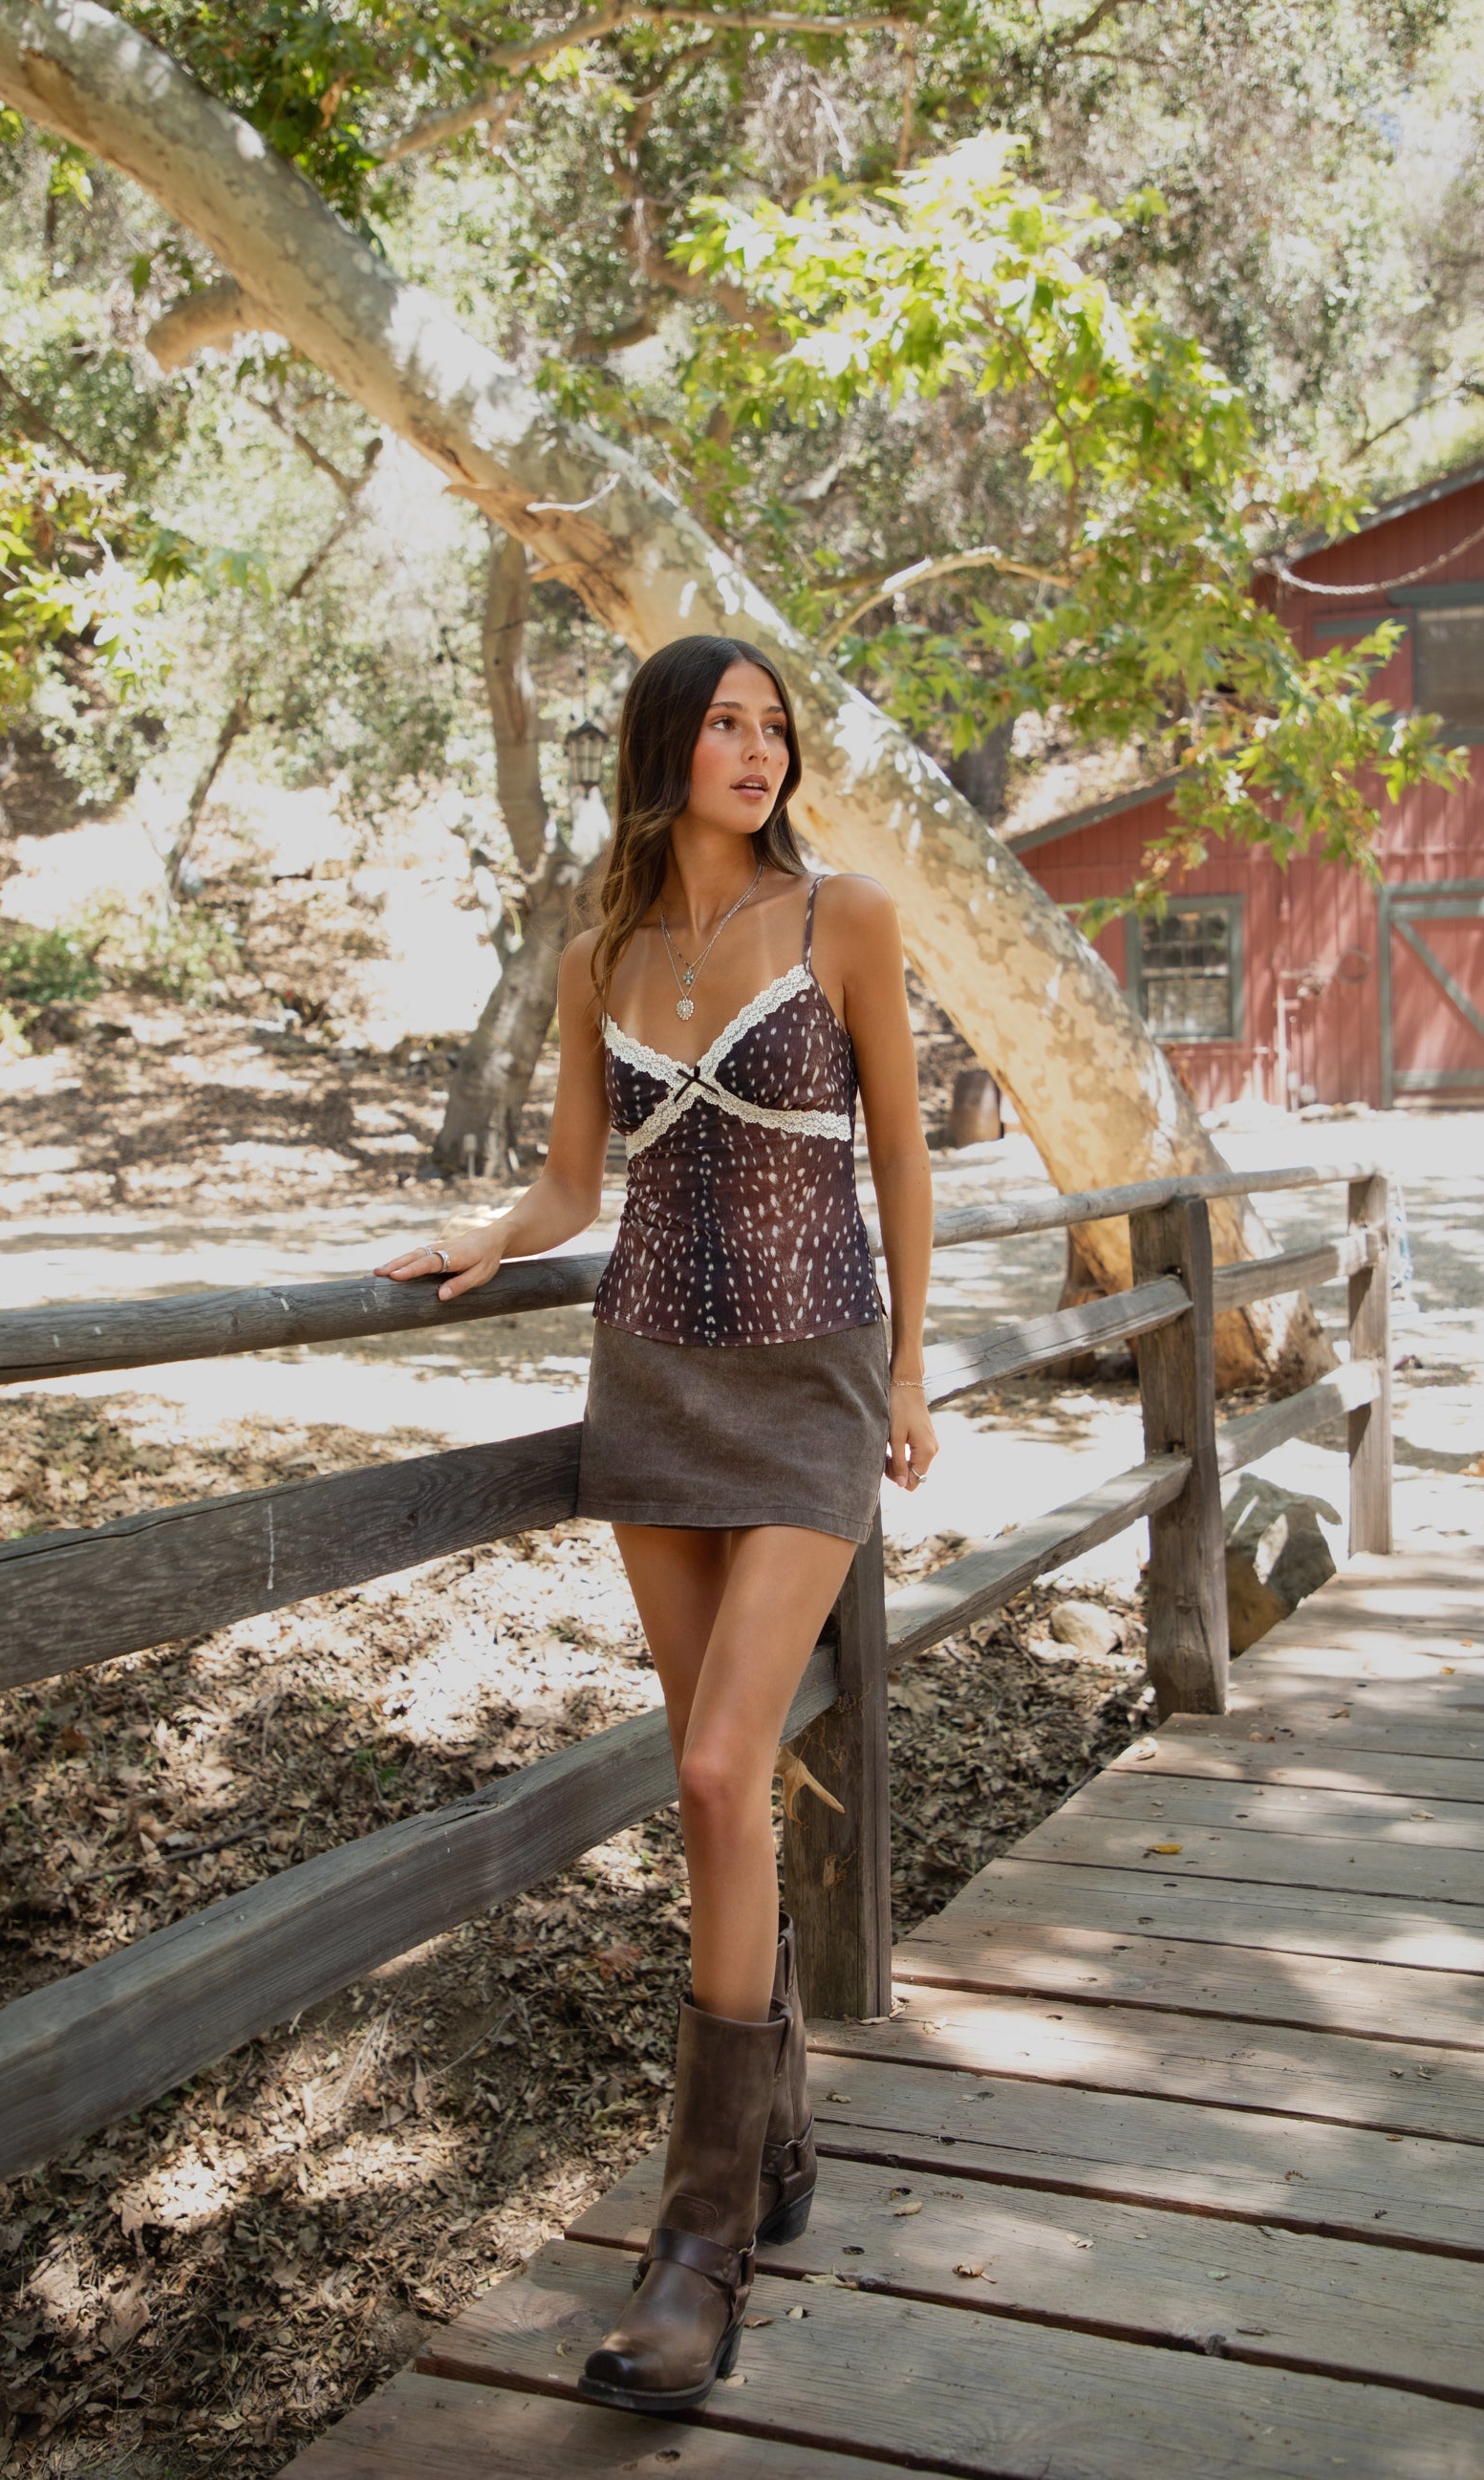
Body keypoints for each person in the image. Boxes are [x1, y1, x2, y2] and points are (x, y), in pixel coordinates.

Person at [376, 635, 937, 2416]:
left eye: (777, 726)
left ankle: (694, 2252)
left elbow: (904, 1158)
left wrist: (915, 1371)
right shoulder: (600, 955)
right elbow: (571, 1179)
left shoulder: (843, 918)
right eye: (726, 723)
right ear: (663, 748)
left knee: (714, 1769)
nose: (758, 749)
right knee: (722, 1784)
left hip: (810, 1383)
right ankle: (767, 2147)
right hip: (652, 1388)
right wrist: (482, 1241)